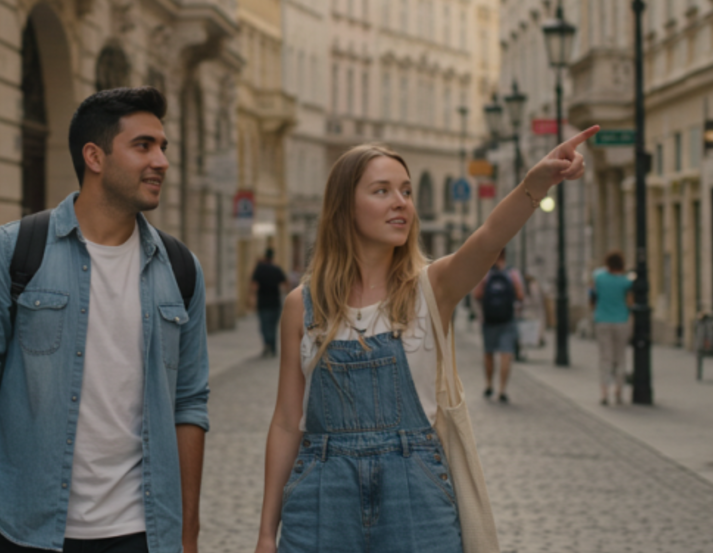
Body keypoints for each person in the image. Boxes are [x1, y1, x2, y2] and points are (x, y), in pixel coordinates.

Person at [254, 128, 594, 553]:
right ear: (344, 208)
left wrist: (535, 184)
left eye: (407, 191)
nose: (401, 202)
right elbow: (287, 422)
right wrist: (267, 533)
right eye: (382, 191)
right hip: (322, 498)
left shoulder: (432, 289)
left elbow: (489, 238)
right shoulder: (301, 307)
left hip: (415, 496)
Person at [0, 87, 209, 553]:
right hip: (28, 526)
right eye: (144, 146)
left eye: (163, 147)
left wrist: (187, 529)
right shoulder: (12, 251)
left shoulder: (180, 268)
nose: (161, 161)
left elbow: (189, 403)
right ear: (94, 157)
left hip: (143, 531)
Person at [474, 250, 524, 403]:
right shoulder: (512, 273)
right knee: (506, 354)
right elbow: (521, 295)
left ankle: (489, 385)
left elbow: (477, 294)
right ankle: (502, 389)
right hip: (507, 319)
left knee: (488, 353)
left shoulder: (485, 274)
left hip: (488, 320)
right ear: (505, 256)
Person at [592, 250, 635, 405]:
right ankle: (619, 391)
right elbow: (630, 301)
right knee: (620, 357)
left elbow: (592, 295)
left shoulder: (599, 277)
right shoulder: (625, 281)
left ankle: (604, 393)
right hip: (621, 320)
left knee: (605, 358)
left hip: (602, 320)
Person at [251, 246, 289, 357]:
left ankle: (267, 344)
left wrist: (252, 298)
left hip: (263, 302)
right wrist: (286, 294)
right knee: (273, 326)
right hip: (275, 302)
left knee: (264, 326)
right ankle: (272, 347)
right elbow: (286, 283)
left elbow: (254, 285)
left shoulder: (260, 269)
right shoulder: (276, 269)